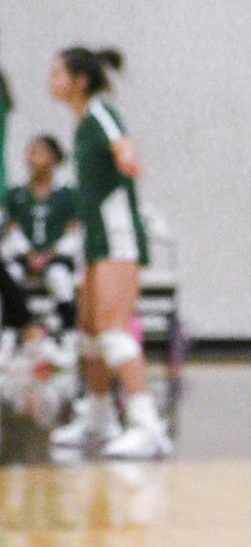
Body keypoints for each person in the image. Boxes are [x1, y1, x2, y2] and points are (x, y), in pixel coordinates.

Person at [46, 47, 171, 459]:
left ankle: (148, 425)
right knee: (89, 331)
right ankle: (99, 419)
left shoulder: (101, 112)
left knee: (115, 330)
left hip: (118, 238)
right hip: (95, 239)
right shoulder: (81, 124)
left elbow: (122, 142)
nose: (52, 79)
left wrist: (127, 156)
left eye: (58, 73)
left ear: (80, 81)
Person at [1, 135, 83, 366]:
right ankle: (9, 337)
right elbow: (13, 229)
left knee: (59, 279)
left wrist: (50, 254)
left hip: (55, 258)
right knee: (11, 277)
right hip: (25, 257)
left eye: (37, 152)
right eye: (29, 152)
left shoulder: (67, 195)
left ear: (54, 158)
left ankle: (68, 338)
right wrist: (29, 254)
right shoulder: (17, 194)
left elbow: (73, 232)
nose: (30, 158)